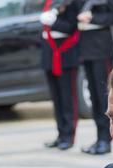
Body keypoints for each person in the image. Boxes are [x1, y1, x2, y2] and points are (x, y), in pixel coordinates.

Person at [77, 0, 113, 155]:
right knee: (94, 97)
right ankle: (100, 137)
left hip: (101, 47)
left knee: (104, 97)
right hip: (86, 47)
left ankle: (107, 139)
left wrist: (92, 18)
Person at [41, 0, 82, 150]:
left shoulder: (70, 2)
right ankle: (60, 134)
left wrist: (54, 22)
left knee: (67, 98)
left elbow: (71, 27)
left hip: (65, 53)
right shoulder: (48, 2)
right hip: (50, 53)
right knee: (57, 99)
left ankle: (69, 136)